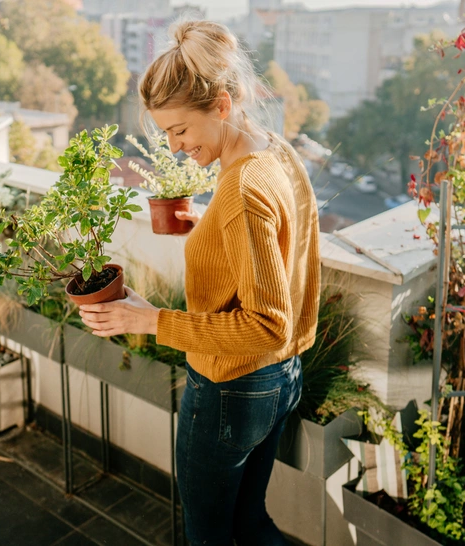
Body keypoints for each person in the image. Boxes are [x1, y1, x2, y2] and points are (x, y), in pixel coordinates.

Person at [78, 19, 320, 546]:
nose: (173, 145)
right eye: (165, 133)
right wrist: (206, 225)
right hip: (280, 379)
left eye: (181, 130)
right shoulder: (272, 150)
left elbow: (265, 325)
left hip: (233, 386)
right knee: (249, 524)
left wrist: (147, 320)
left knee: (209, 536)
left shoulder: (243, 190)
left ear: (223, 106)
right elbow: (280, 237)